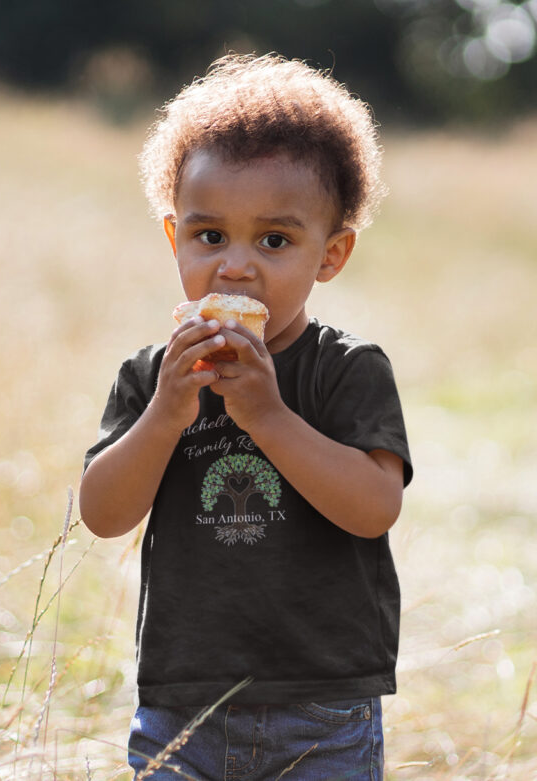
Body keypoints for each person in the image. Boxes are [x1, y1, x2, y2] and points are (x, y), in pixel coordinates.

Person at [79, 53, 413, 781]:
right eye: (209, 236)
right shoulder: (153, 376)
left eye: (273, 240)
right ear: (175, 239)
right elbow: (103, 514)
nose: (234, 266)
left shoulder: (347, 370)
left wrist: (266, 414)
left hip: (322, 707)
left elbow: (374, 507)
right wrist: (167, 413)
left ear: (331, 254)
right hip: (182, 706)